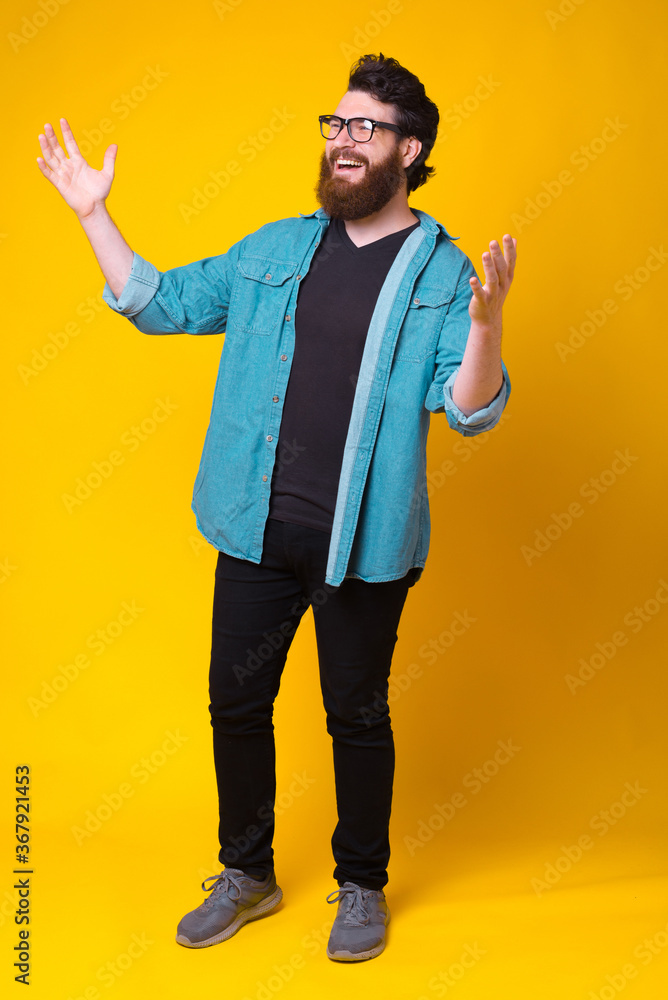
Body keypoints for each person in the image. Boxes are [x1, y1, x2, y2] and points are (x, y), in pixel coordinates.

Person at [36, 53, 516, 963]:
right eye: (334, 126)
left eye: (364, 129)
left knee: (356, 715)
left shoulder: (447, 276)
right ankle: (247, 873)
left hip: (362, 546)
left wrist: (487, 326)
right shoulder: (274, 249)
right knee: (236, 698)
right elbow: (160, 302)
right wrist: (94, 214)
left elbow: (470, 410)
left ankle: (362, 886)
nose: (343, 142)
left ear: (409, 150)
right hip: (255, 528)